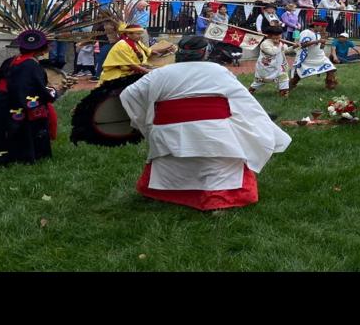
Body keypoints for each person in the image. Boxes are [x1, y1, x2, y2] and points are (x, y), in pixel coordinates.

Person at [118, 34, 293, 211]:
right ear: (205, 52)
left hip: (168, 134)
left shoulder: (160, 73)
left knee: (173, 157)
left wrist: (147, 123)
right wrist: (261, 121)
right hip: (214, 135)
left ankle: (165, 194)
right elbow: (244, 101)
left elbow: (128, 95)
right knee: (224, 148)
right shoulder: (218, 71)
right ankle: (217, 200)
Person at [0, 29, 60, 165]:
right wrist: (53, 92)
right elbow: (37, 90)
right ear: (41, 49)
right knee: (24, 121)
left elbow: (1, 82)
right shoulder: (32, 65)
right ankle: (20, 154)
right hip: (15, 103)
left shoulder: (11, 60)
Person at [290, 26, 337, 91]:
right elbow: (303, 45)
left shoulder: (318, 34)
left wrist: (323, 41)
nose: (324, 29)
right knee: (299, 73)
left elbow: (321, 47)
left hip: (320, 57)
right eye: (323, 27)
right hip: (307, 58)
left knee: (331, 69)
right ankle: (289, 86)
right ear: (316, 25)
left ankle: (330, 86)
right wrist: (317, 41)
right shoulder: (306, 32)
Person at [250, 26, 291, 98]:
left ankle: (283, 95)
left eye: (279, 34)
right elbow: (272, 52)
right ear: (269, 35)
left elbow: (286, 50)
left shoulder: (280, 42)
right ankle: (250, 91)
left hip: (279, 67)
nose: (279, 36)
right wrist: (278, 44)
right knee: (259, 82)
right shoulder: (265, 44)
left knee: (284, 78)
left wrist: (294, 47)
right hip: (267, 67)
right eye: (276, 35)